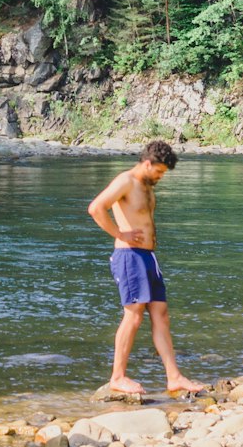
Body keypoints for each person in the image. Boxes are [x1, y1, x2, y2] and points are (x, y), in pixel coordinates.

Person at [87, 140, 204, 397]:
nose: (161, 177)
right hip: (129, 255)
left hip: (148, 257)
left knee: (160, 314)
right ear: (148, 163)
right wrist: (120, 233)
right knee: (134, 314)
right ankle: (117, 376)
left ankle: (174, 377)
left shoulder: (147, 186)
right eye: (159, 171)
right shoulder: (126, 181)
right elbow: (96, 208)